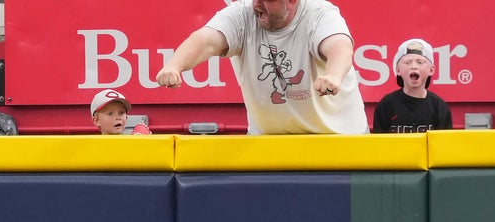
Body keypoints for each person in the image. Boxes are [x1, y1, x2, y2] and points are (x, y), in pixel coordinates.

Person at [154, 0, 367, 135]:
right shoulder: (242, 13)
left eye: (268, 0)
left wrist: (333, 75)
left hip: (339, 143)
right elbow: (205, 40)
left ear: (292, 2)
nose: (258, 4)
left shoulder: (320, 14)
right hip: (269, 146)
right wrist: (174, 66)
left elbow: (340, 47)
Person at [372, 38, 453, 133]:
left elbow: (443, 145)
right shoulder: (386, 105)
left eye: (420, 62)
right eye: (407, 62)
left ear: (431, 70)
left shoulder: (439, 107)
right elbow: (379, 144)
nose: (413, 66)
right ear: (398, 70)